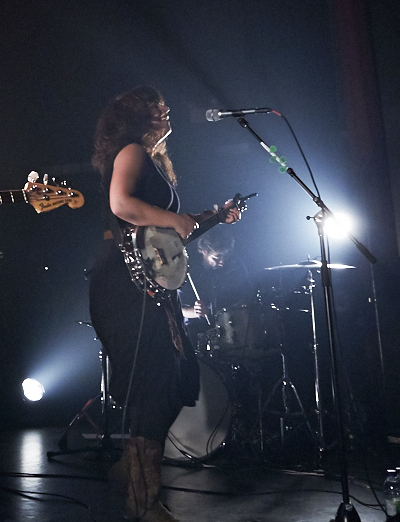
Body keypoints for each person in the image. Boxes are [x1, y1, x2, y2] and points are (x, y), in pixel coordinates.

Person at [88, 86, 239, 522]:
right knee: (153, 387)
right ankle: (145, 502)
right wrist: (178, 218)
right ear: (136, 117)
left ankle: (128, 469)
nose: (166, 111)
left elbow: (167, 240)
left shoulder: (157, 161)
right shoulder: (132, 151)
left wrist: (212, 217)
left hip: (151, 284)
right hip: (123, 285)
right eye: (157, 108)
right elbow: (122, 204)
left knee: (179, 378)